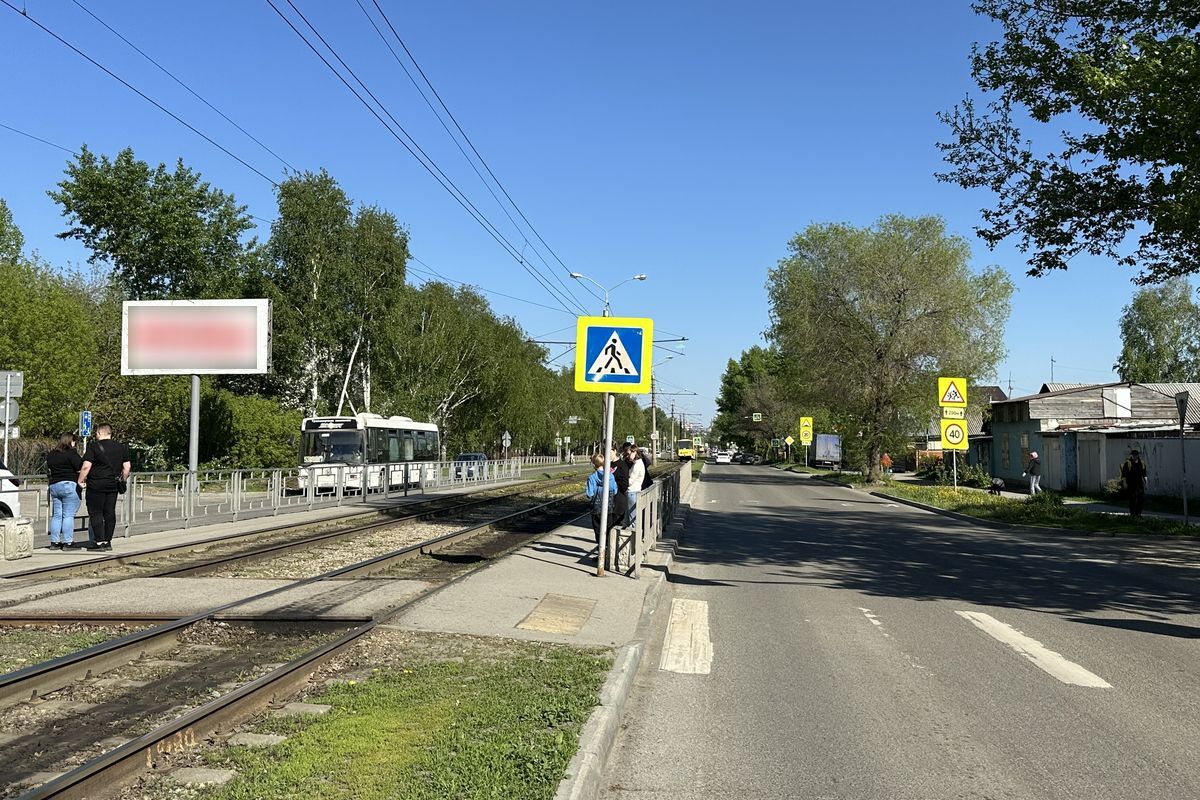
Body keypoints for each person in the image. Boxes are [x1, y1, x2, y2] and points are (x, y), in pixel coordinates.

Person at [77, 423, 131, 550]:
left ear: (100, 433)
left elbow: (86, 466)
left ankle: (99, 542)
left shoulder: (93, 447)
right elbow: (127, 467)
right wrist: (122, 479)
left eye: (96, 433)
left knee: (96, 513)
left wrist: (80, 480)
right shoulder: (121, 447)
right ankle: (108, 541)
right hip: (112, 485)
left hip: (96, 484)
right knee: (109, 513)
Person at [45, 433, 83, 550]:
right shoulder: (71, 453)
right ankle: (68, 542)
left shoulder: (51, 454)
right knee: (68, 515)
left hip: (54, 486)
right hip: (69, 485)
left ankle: (54, 542)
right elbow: (79, 467)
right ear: (71, 441)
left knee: (57, 515)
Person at [585, 453, 618, 549]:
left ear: (593, 464)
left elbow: (589, 494)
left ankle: (601, 550)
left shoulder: (592, 478)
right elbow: (615, 490)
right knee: (608, 529)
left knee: (598, 530)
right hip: (609, 507)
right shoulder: (610, 476)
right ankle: (608, 551)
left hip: (596, 508)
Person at [1120, 449, 1149, 517]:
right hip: (1131, 484)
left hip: (1139, 484)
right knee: (1132, 499)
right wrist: (1125, 483)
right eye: (1133, 455)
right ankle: (1133, 513)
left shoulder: (1142, 463)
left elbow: (1144, 475)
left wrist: (1146, 484)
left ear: (1138, 455)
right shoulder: (1128, 463)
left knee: (1140, 499)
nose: (1134, 456)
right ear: (1131, 455)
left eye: (1135, 455)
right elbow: (1124, 475)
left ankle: (1138, 513)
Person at [625, 446, 646, 528]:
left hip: (632, 492)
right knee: (631, 517)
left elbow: (630, 481)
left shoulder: (637, 465)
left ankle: (633, 538)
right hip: (634, 491)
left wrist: (621, 482)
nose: (627, 456)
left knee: (632, 518)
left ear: (634, 452)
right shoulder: (637, 463)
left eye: (629, 454)